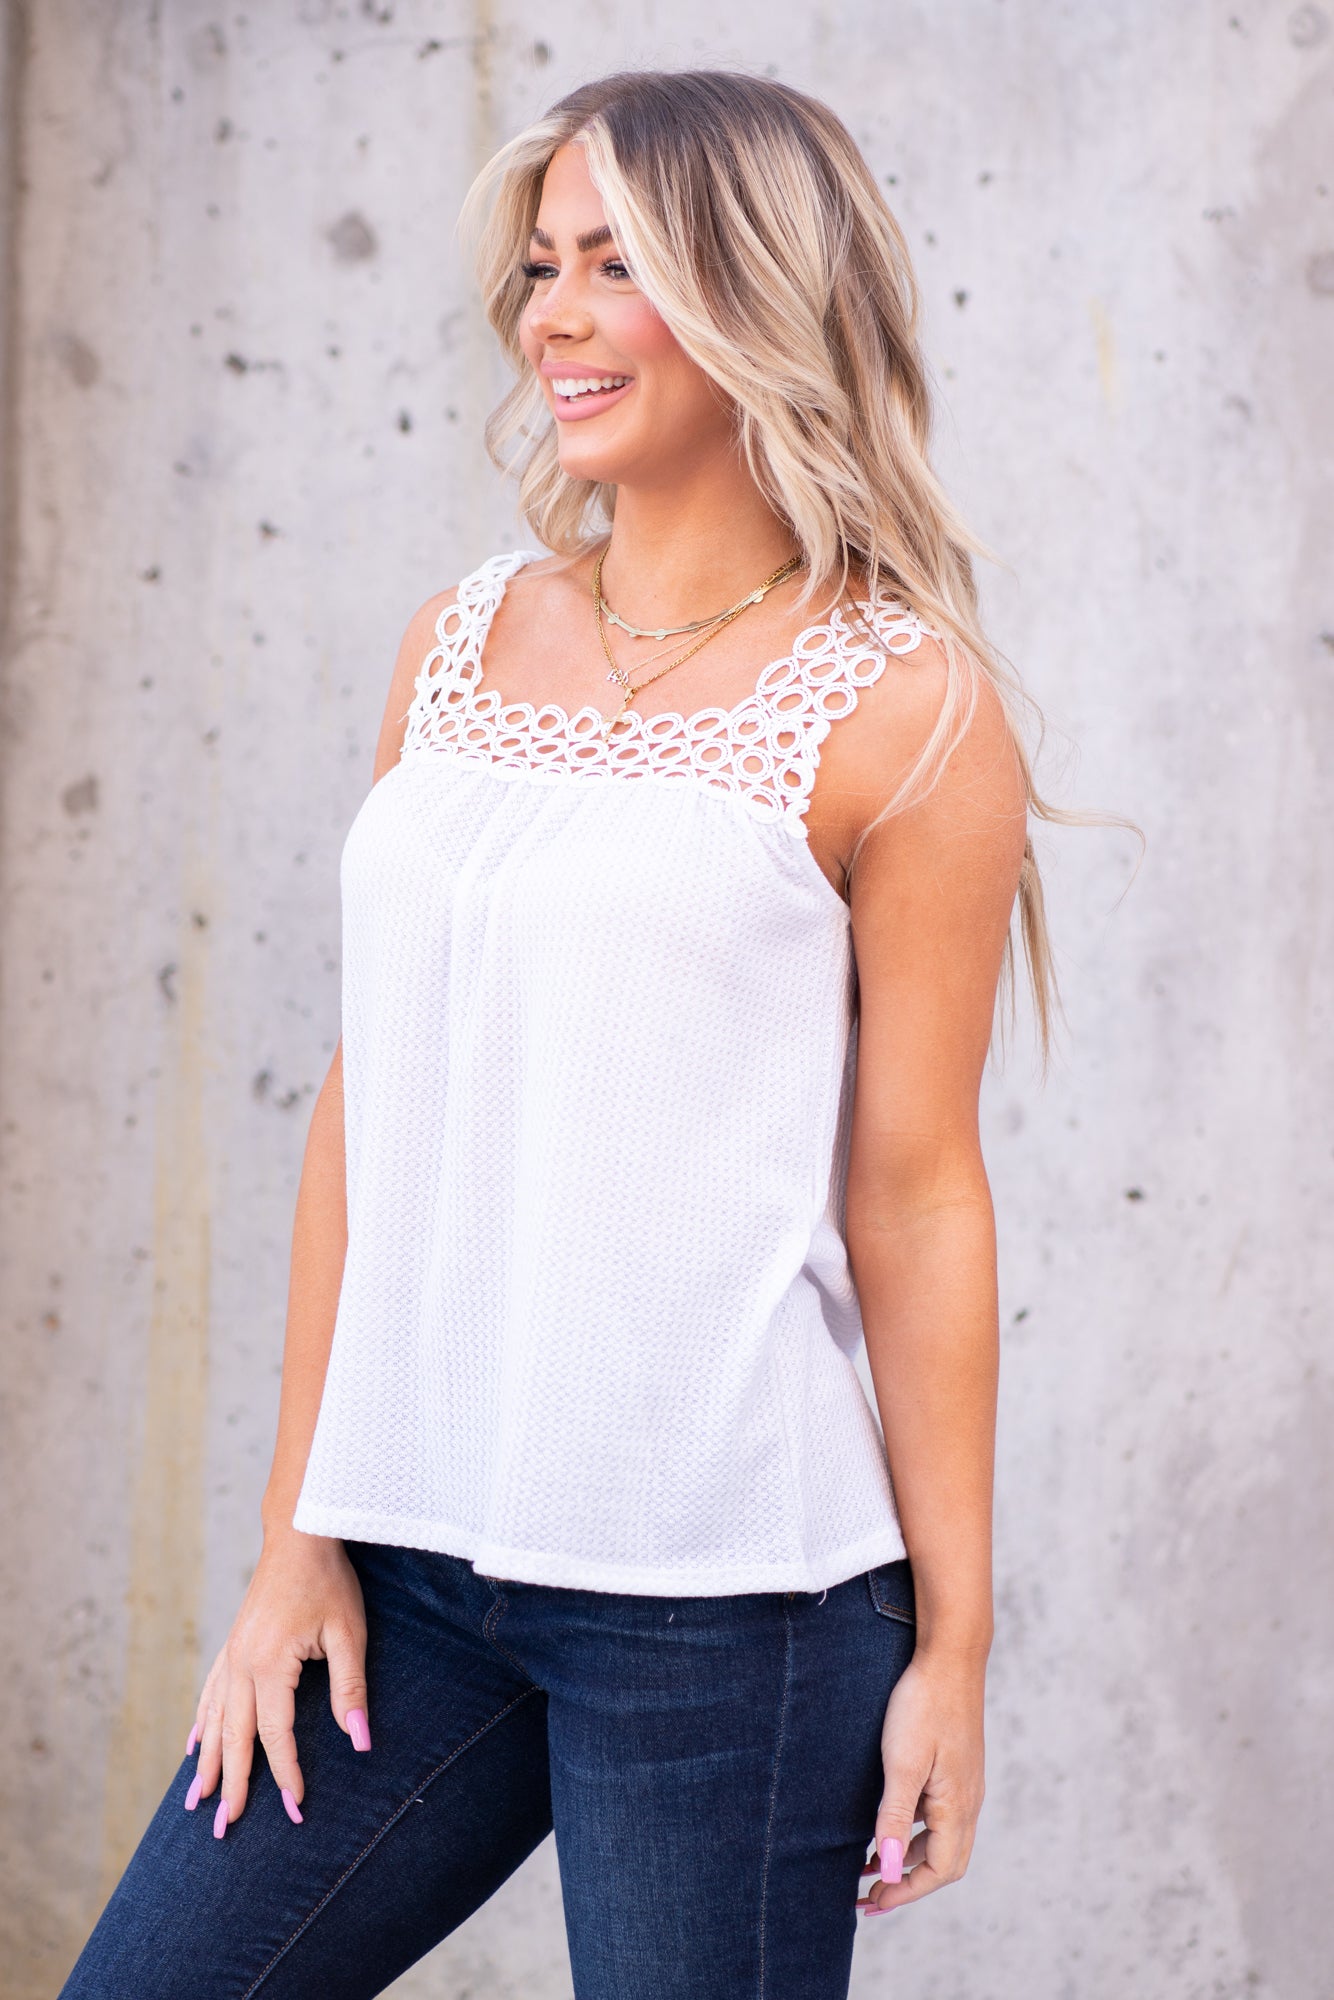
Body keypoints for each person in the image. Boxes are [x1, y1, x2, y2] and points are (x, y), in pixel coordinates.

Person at [62, 65, 1074, 2000]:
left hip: (731, 1612)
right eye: (543, 265)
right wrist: (296, 1537)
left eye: (619, 263)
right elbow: (369, 1102)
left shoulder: (903, 708)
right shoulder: (455, 645)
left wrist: (954, 1647)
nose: (556, 316)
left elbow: (918, 1195)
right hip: (409, 1568)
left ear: (757, 291)